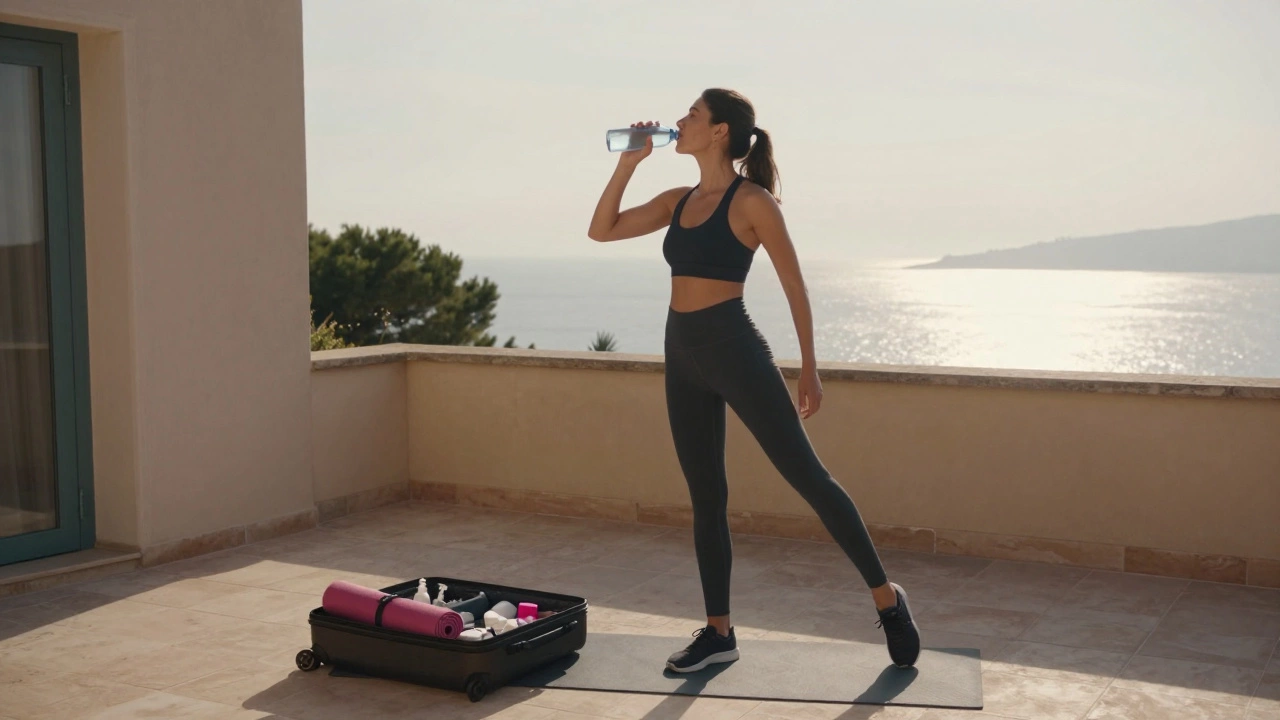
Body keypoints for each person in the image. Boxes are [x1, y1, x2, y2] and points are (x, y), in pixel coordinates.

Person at [587, 88, 921, 673]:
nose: (680, 121)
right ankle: (719, 634)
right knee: (706, 496)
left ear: (720, 131)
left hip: (734, 350)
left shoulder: (753, 202)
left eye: (693, 114)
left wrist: (809, 367)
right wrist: (628, 162)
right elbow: (602, 230)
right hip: (681, 354)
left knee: (808, 477)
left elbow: (795, 285)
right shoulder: (676, 200)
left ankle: (886, 597)